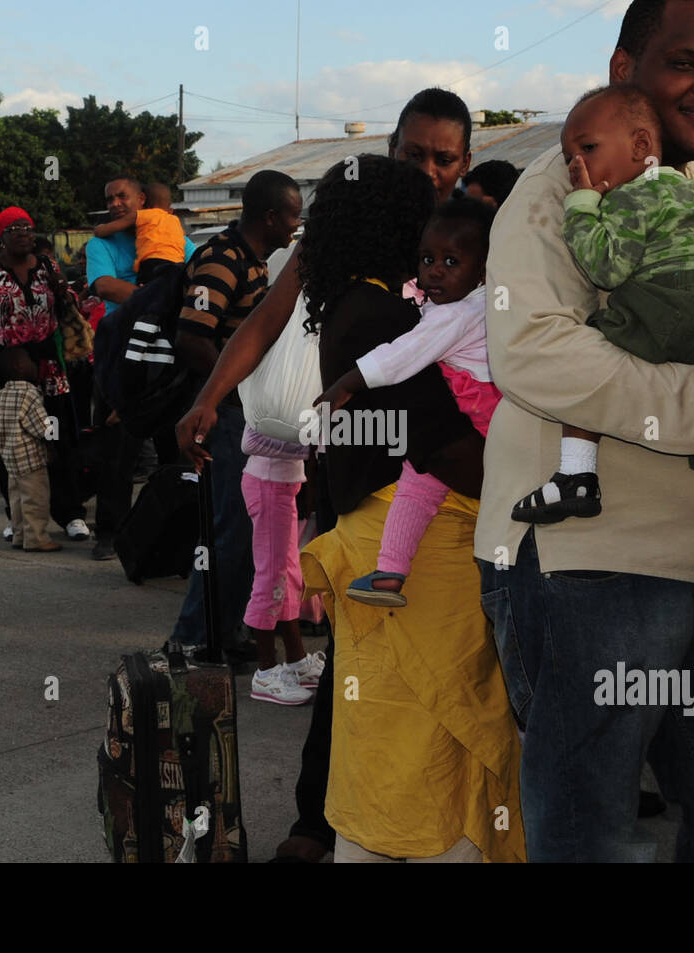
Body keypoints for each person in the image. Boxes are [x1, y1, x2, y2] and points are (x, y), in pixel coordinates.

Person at [476, 0, 694, 862]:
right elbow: (537, 357)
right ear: (624, 70)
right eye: (689, 62)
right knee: (593, 833)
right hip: (592, 566)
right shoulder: (563, 185)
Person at [176, 86, 475, 864]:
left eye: (446, 158)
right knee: (374, 663)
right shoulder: (357, 243)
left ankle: (356, 824)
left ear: (465, 162)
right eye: (417, 155)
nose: (431, 170)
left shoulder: (474, 234)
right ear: (393, 151)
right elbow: (267, 318)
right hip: (391, 483)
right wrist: (209, 397)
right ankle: (333, 822)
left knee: (383, 668)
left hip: (410, 483)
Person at [297, 154, 522, 863]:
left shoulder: (363, 306)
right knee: (437, 735)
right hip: (424, 552)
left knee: (382, 740)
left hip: (384, 547)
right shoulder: (397, 318)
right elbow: (448, 447)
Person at [510, 85, 694, 620]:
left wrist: (583, 205)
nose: (576, 166)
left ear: (639, 145)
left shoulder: (627, 196)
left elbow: (606, 266)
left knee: (597, 342)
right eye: (570, 159)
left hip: (665, 306)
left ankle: (577, 474)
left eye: (586, 150)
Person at [316, 197, 497, 607]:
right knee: (425, 482)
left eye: (451, 262)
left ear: (483, 270)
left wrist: (347, 383)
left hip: (484, 413)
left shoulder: (456, 314)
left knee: (418, 480)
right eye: (427, 258)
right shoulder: (471, 304)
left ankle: (391, 569)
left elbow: (403, 355)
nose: (434, 270)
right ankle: (392, 573)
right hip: (493, 415)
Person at [169, 169, 304, 653]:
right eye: (291, 216)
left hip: (238, 414)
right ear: (269, 216)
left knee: (248, 533)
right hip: (226, 416)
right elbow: (192, 336)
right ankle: (193, 640)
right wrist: (239, 391)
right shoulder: (222, 259)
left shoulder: (255, 260)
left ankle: (223, 633)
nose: (295, 227)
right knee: (233, 533)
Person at [0, 206, 90, 543]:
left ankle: (71, 514)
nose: (23, 233)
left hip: (50, 370)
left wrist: (64, 290)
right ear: (1, 236)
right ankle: (16, 516)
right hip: (7, 372)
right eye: (14, 228)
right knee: (12, 449)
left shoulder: (47, 266)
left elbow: (70, 308)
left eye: (28, 227)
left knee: (59, 441)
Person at [85, 176, 150, 561]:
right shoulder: (101, 243)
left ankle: (177, 533)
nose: (115, 203)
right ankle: (109, 533)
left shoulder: (165, 233)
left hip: (166, 347)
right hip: (119, 347)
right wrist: (157, 295)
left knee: (175, 446)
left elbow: (194, 272)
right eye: (109, 198)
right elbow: (105, 287)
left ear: (141, 199)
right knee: (116, 448)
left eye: (122, 196)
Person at [241, 425, 324, 705]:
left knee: (288, 574)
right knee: (271, 577)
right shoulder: (275, 392)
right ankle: (265, 671)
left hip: (280, 482)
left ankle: (296, 660)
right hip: (269, 484)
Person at [0, 347, 62, 552]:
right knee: (36, 500)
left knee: (16, 499)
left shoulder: (2, 394)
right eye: (30, 362)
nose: (34, 366)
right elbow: (42, 427)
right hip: (31, 459)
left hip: (10, 459)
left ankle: (19, 534)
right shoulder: (30, 394)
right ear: (19, 366)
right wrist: (54, 441)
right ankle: (37, 539)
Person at [93, 181, 186, 284]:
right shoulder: (175, 221)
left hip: (153, 263)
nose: (115, 204)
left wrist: (99, 229)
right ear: (171, 210)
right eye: (110, 200)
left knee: (146, 289)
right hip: (178, 265)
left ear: (143, 201)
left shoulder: (143, 215)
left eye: (122, 196)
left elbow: (111, 228)